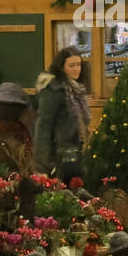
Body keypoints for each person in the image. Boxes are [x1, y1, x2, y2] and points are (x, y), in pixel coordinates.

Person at [34, 47, 91, 181]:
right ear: (61, 67)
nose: (76, 69)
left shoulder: (77, 90)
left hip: (75, 152)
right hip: (58, 155)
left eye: (78, 65)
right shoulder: (53, 90)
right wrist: (41, 165)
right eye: (71, 65)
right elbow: (43, 126)